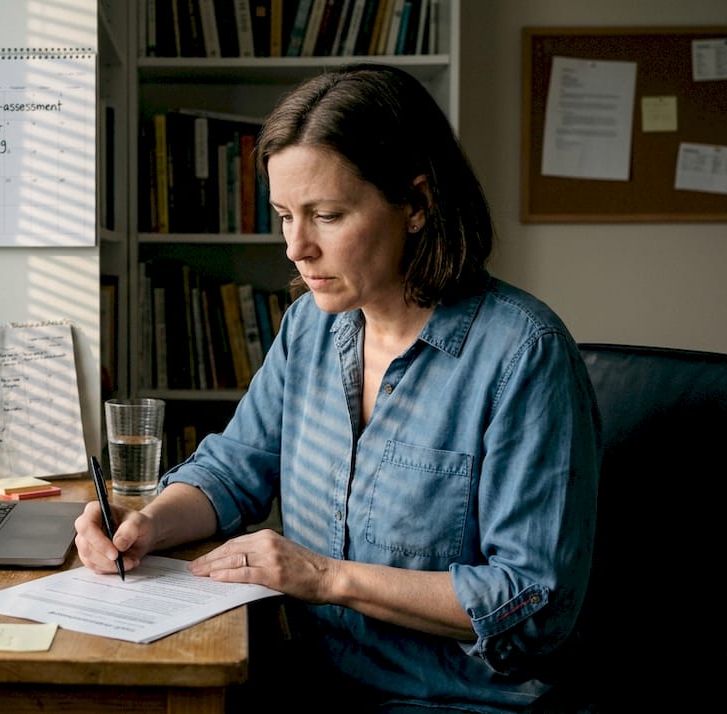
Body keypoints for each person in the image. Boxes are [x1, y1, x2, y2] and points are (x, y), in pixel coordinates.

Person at [76, 63, 601, 713]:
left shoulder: (523, 355)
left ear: (417, 203)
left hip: (456, 704)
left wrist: (324, 577)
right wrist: (146, 522)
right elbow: (235, 468)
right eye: (283, 215)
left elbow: (529, 603)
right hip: (309, 677)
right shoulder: (310, 329)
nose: (296, 248)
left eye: (326, 215)